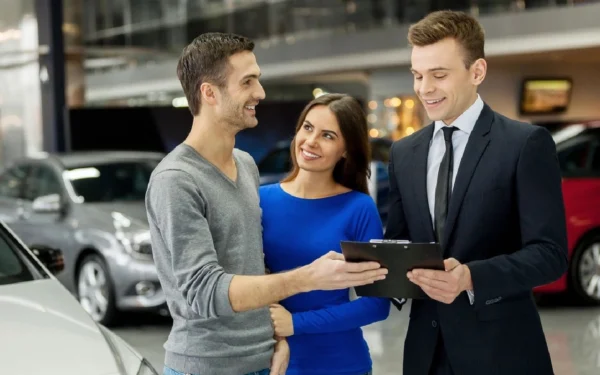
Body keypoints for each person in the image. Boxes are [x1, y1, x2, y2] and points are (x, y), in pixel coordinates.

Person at [145, 33, 388, 375]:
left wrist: (278, 339)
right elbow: (204, 291)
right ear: (209, 93)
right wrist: (307, 278)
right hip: (206, 367)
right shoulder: (176, 179)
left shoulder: (245, 165)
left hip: (265, 362)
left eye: (258, 80)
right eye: (248, 82)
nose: (260, 93)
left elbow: (256, 269)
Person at [384, 11, 568, 375]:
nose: (424, 89)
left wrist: (470, 277)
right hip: (426, 356)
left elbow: (550, 254)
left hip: (503, 353)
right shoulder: (403, 154)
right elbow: (401, 242)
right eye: (418, 76)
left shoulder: (524, 144)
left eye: (439, 75)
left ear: (477, 72)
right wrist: (374, 268)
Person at [260, 93, 391, 375]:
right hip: (267, 363)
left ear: (346, 150)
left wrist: (295, 323)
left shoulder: (358, 207)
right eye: (307, 127)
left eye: (328, 135)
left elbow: (377, 305)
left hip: (340, 364)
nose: (311, 141)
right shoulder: (259, 200)